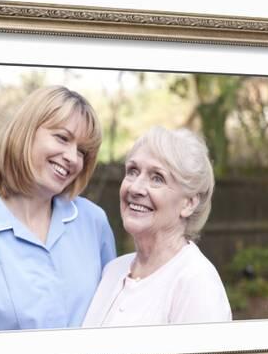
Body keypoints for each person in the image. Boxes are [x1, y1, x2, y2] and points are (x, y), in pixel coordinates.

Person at [0, 86, 116, 332]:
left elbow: (113, 319)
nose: (72, 157)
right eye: (62, 138)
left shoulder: (94, 222)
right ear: (26, 132)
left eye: (82, 151)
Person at [83, 127, 231, 327]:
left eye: (157, 178)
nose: (135, 188)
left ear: (188, 203)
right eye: (133, 171)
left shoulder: (196, 282)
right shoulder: (113, 271)